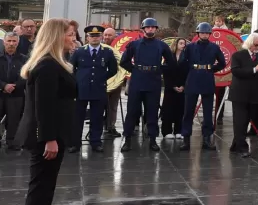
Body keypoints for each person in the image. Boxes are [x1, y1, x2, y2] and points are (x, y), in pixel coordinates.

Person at [17, 19, 78, 205]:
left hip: (52, 136)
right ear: (56, 37)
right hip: (47, 139)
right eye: (70, 35)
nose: (73, 39)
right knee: (40, 192)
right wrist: (49, 139)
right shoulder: (48, 67)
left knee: (43, 191)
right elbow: (43, 107)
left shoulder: (52, 64)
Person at [118, 17, 173, 152]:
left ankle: (153, 139)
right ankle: (127, 139)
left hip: (153, 81)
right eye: (148, 27)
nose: (150, 29)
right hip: (137, 80)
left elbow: (171, 63)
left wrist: (159, 69)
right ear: (143, 29)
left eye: (153, 27)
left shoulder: (162, 45)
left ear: (155, 29)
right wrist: (135, 70)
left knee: (152, 112)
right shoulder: (134, 44)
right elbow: (124, 61)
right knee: (132, 112)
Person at [177, 22, 224, 149]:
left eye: (207, 33)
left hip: (207, 78)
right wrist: (190, 70)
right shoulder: (190, 47)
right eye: (202, 32)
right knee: (188, 111)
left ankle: (207, 139)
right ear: (198, 33)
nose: (204, 35)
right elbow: (182, 62)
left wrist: (211, 69)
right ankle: (186, 138)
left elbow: (222, 62)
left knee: (208, 112)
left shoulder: (214, 47)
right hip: (193, 78)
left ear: (210, 34)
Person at [72, 25, 118, 151]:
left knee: (97, 117)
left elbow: (113, 69)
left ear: (101, 37)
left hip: (99, 88)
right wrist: (79, 79)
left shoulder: (107, 52)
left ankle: (95, 142)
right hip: (81, 89)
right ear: (87, 37)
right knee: (78, 117)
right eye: (92, 36)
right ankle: (75, 143)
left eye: (97, 36)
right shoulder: (79, 51)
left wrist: (102, 78)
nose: (95, 38)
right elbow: (71, 68)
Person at [0, 32, 28, 148]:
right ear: (4, 42)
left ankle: (12, 141)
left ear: (18, 43)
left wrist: (14, 86)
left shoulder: (24, 59)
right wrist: (4, 85)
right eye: (9, 41)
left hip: (16, 94)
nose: (11, 44)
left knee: (14, 118)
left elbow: (26, 76)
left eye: (14, 41)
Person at [227, 32, 258, 155]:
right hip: (240, 93)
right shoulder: (238, 55)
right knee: (240, 120)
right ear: (250, 43)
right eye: (256, 45)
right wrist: (255, 69)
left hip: (254, 94)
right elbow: (236, 71)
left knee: (246, 120)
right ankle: (242, 147)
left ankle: (235, 144)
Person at [160, 37, 187, 143]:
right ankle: (166, 131)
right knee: (168, 109)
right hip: (170, 87)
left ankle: (179, 130)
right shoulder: (169, 57)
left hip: (182, 87)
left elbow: (188, 72)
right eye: (180, 43)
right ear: (176, 44)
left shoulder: (186, 57)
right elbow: (166, 72)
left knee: (180, 109)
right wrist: (173, 86)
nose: (183, 45)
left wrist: (183, 86)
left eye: (184, 43)